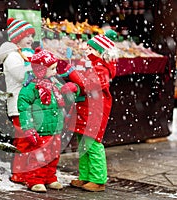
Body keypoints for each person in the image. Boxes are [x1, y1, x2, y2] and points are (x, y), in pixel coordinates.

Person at [59, 29, 119, 192]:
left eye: (91, 50)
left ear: (100, 53)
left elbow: (88, 85)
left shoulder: (101, 70)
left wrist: (73, 74)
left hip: (95, 112)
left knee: (92, 143)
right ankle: (85, 175)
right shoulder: (92, 65)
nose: (88, 52)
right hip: (86, 109)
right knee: (84, 144)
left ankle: (98, 179)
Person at [17, 48, 77, 193]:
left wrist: (70, 91)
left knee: (53, 155)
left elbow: (67, 102)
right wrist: (28, 127)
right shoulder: (31, 87)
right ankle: (35, 180)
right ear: (41, 70)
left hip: (55, 127)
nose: (55, 72)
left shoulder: (55, 84)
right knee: (38, 156)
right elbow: (23, 108)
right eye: (52, 69)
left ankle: (50, 177)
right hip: (40, 128)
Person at [0, 18, 36, 184]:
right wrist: (36, 65)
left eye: (32, 36)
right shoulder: (12, 56)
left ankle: (28, 170)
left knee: (30, 139)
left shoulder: (23, 54)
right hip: (18, 105)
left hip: (29, 105)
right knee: (23, 140)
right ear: (17, 37)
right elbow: (21, 76)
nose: (31, 39)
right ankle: (19, 172)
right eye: (27, 36)